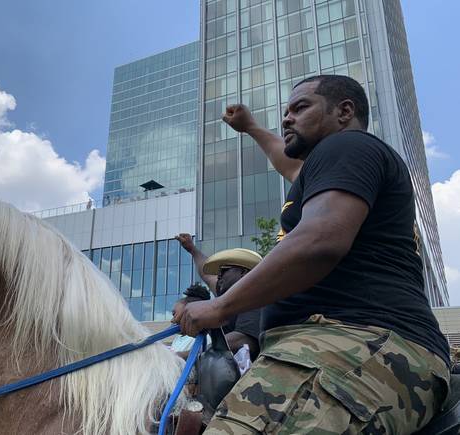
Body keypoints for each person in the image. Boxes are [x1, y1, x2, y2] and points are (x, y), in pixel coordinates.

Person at [174, 75, 450, 434]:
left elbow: (320, 241)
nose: (286, 118)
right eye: (285, 112)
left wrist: (218, 308)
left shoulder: (348, 146)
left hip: (354, 339)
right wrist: (251, 127)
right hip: (336, 345)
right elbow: (285, 161)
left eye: (300, 108)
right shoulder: (329, 166)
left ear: (344, 112)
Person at [174, 234, 262, 361]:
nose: (219, 275)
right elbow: (207, 275)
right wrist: (192, 250)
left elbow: (242, 340)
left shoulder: (255, 296)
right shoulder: (227, 295)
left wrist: (184, 355)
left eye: (224, 270)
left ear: (243, 272)